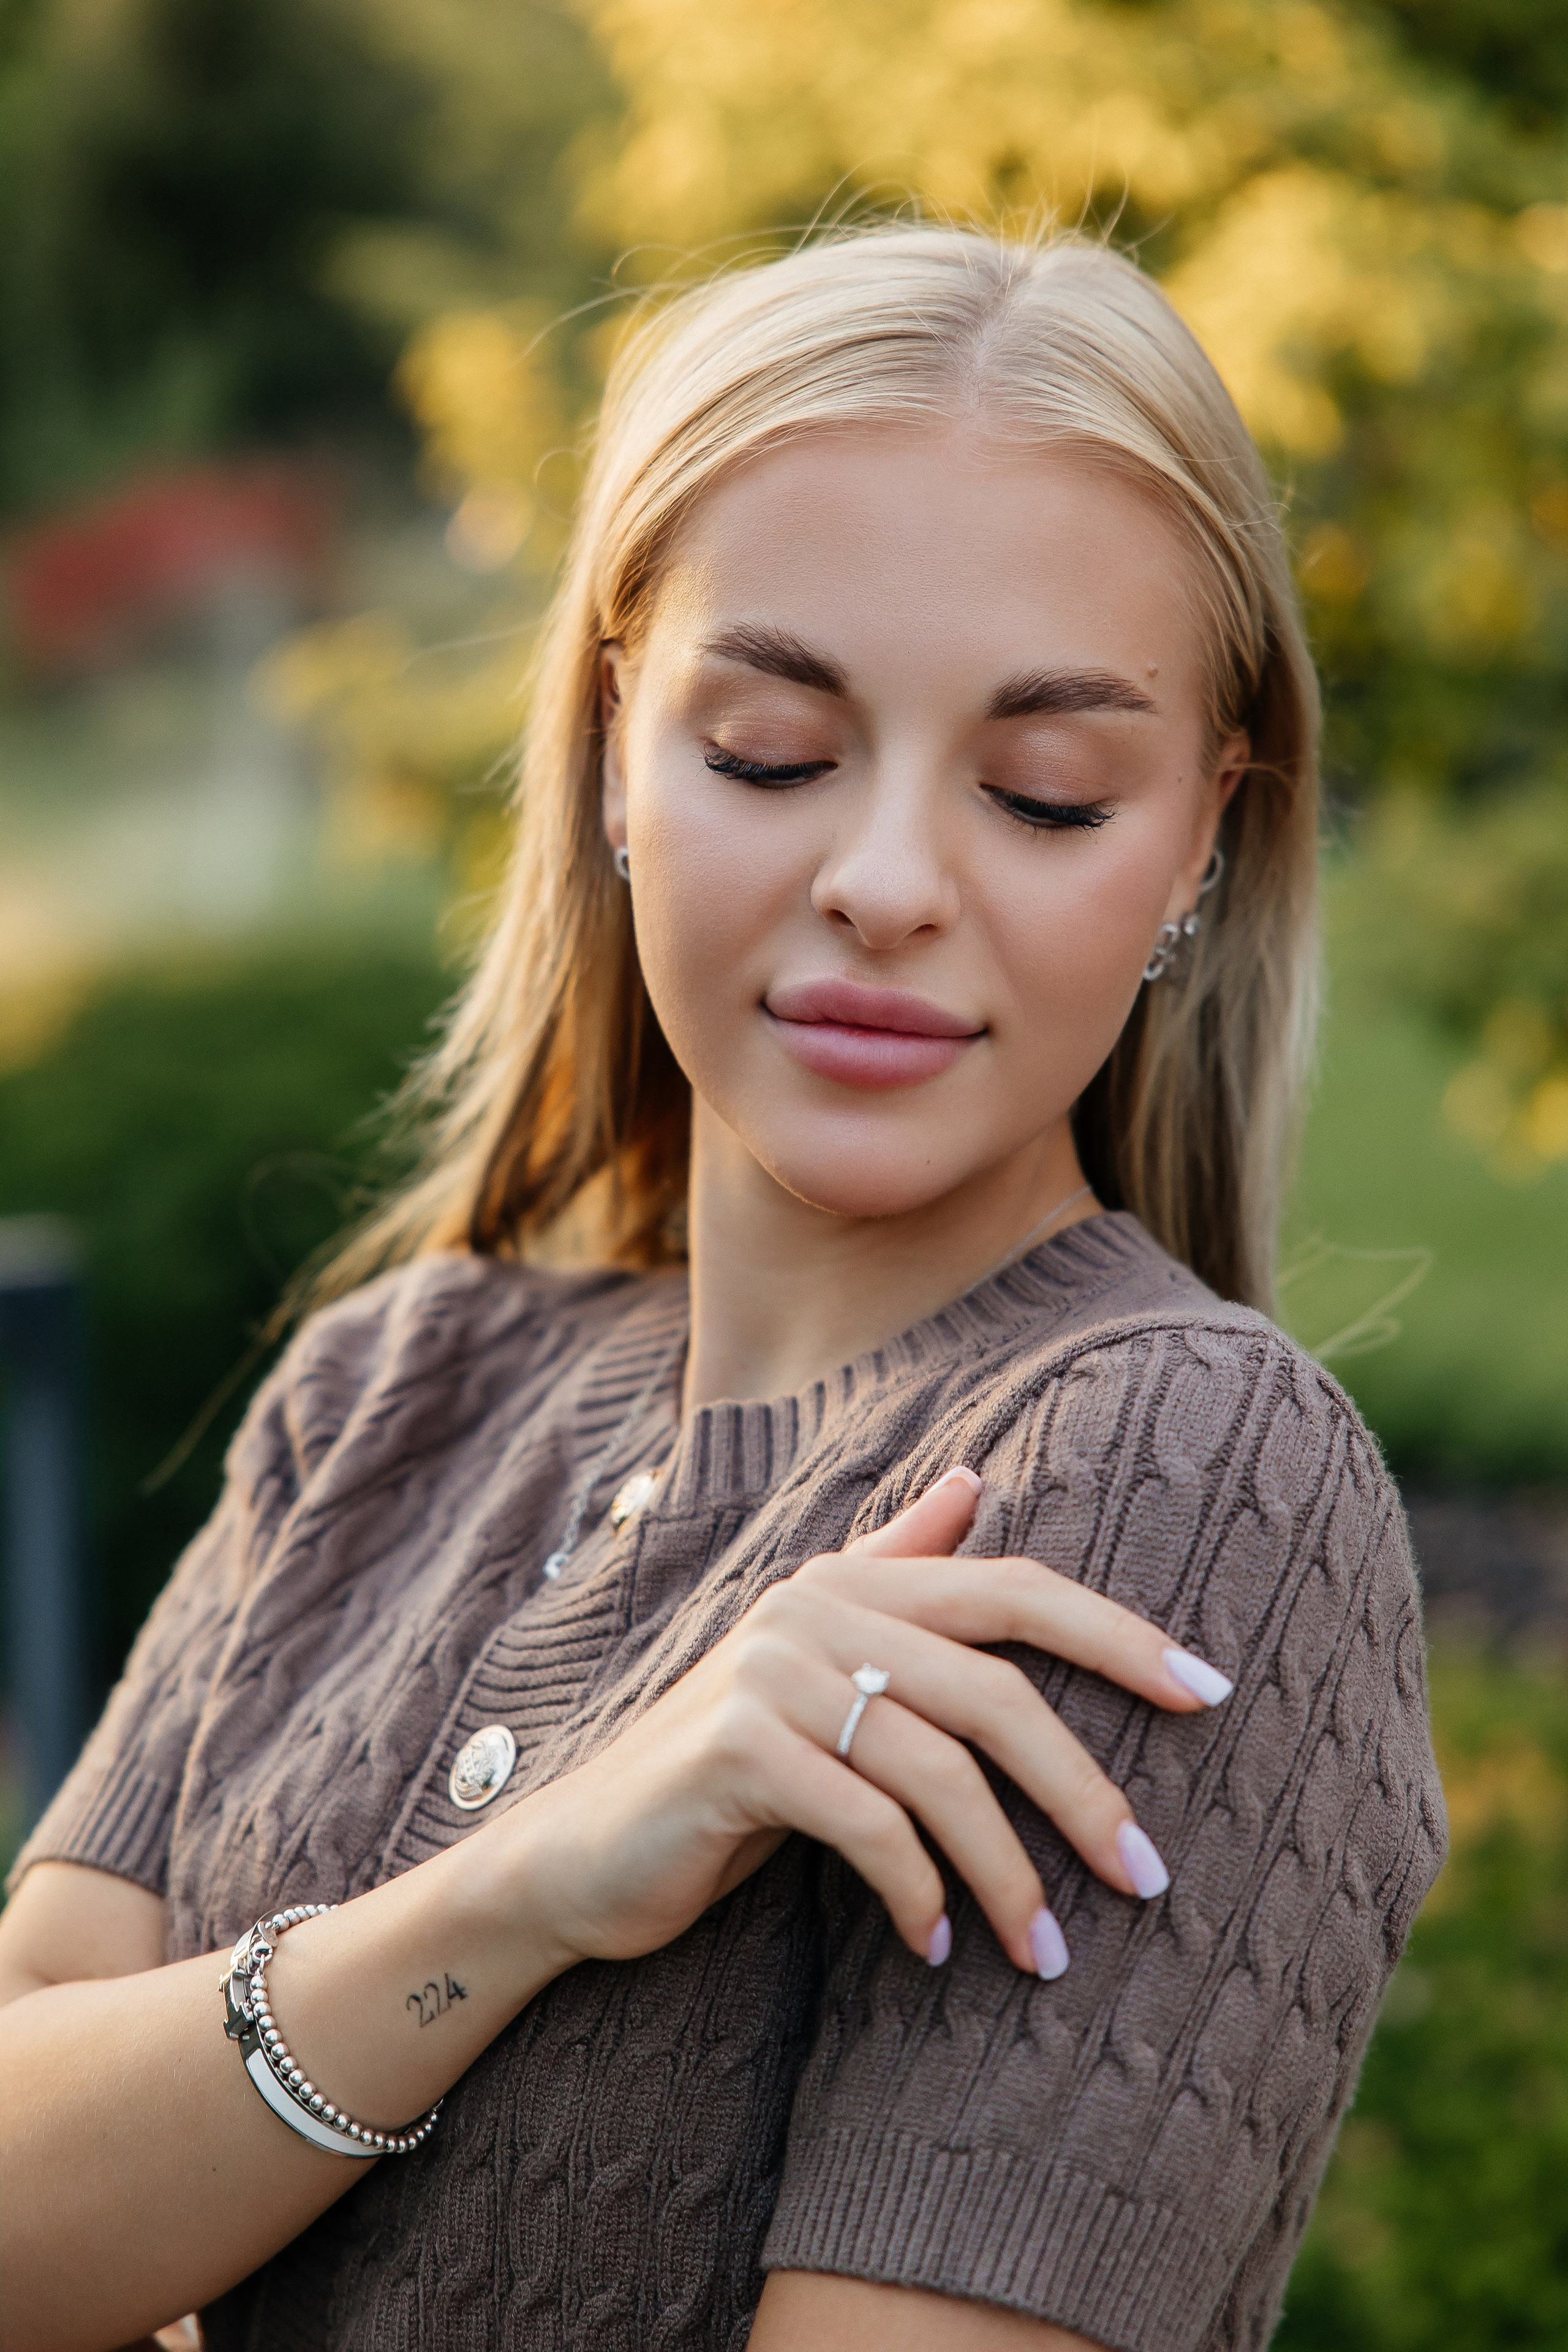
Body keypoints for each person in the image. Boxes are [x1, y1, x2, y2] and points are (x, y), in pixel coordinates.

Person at [0, 227, 1446, 2352]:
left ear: (1202, 847)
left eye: (1044, 793)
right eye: (772, 749)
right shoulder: (388, 1392)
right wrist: (522, 1888)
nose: (883, 879)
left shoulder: (1167, 1479)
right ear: (607, 746)